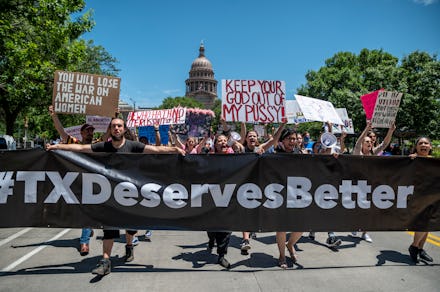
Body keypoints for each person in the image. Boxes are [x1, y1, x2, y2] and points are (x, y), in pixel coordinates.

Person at [46, 118, 185, 276]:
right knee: (109, 227)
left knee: (131, 228)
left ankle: (129, 246)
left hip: (130, 195)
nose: (116, 128)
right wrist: (57, 146)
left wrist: (174, 149)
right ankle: (105, 261)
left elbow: (155, 150)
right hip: (110, 195)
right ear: (110, 130)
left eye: (119, 126)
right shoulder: (104, 146)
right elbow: (81, 148)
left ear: (124, 129)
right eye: (113, 126)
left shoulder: (133, 146)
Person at [48, 105, 95, 256]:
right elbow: (61, 131)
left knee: (88, 210)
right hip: (76, 181)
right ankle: (86, 236)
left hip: (94, 183)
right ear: (81, 133)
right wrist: (54, 115)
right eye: (87, 130)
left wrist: (114, 115)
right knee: (84, 210)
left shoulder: (97, 144)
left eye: (92, 130)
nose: (90, 132)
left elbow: (108, 132)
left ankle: (86, 237)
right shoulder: (73, 142)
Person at [351, 120, 396, 243]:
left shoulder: (373, 153)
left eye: (371, 141)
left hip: (370, 185)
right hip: (356, 186)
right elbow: (358, 142)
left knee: (369, 210)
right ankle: (355, 226)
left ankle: (365, 233)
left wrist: (390, 131)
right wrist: (367, 128)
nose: (370, 143)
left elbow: (385, 143)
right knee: (357, 209)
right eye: (367, 141)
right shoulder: (357, 152)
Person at [206, 134, 234, 269]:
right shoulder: (209, 158)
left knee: (226, 227)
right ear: (215, 145)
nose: (223, 142)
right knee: (211, 226)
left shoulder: (235, 158)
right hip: (211, 196)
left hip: (228, 197)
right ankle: (211, 239)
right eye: (220, 141)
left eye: (225, 140)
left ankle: (221, 255)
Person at [408, 136, 434, 263]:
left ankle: (420, 249)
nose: (423, 145)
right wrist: (411, 161)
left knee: (429, 224)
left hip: (433, 197)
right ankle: (414, 246)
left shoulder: (435, 162)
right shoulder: (412, 160)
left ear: (430, 147)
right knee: (423, 223)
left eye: (426, 143)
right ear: (416, 147)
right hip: (417, 196)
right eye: (420, 143)